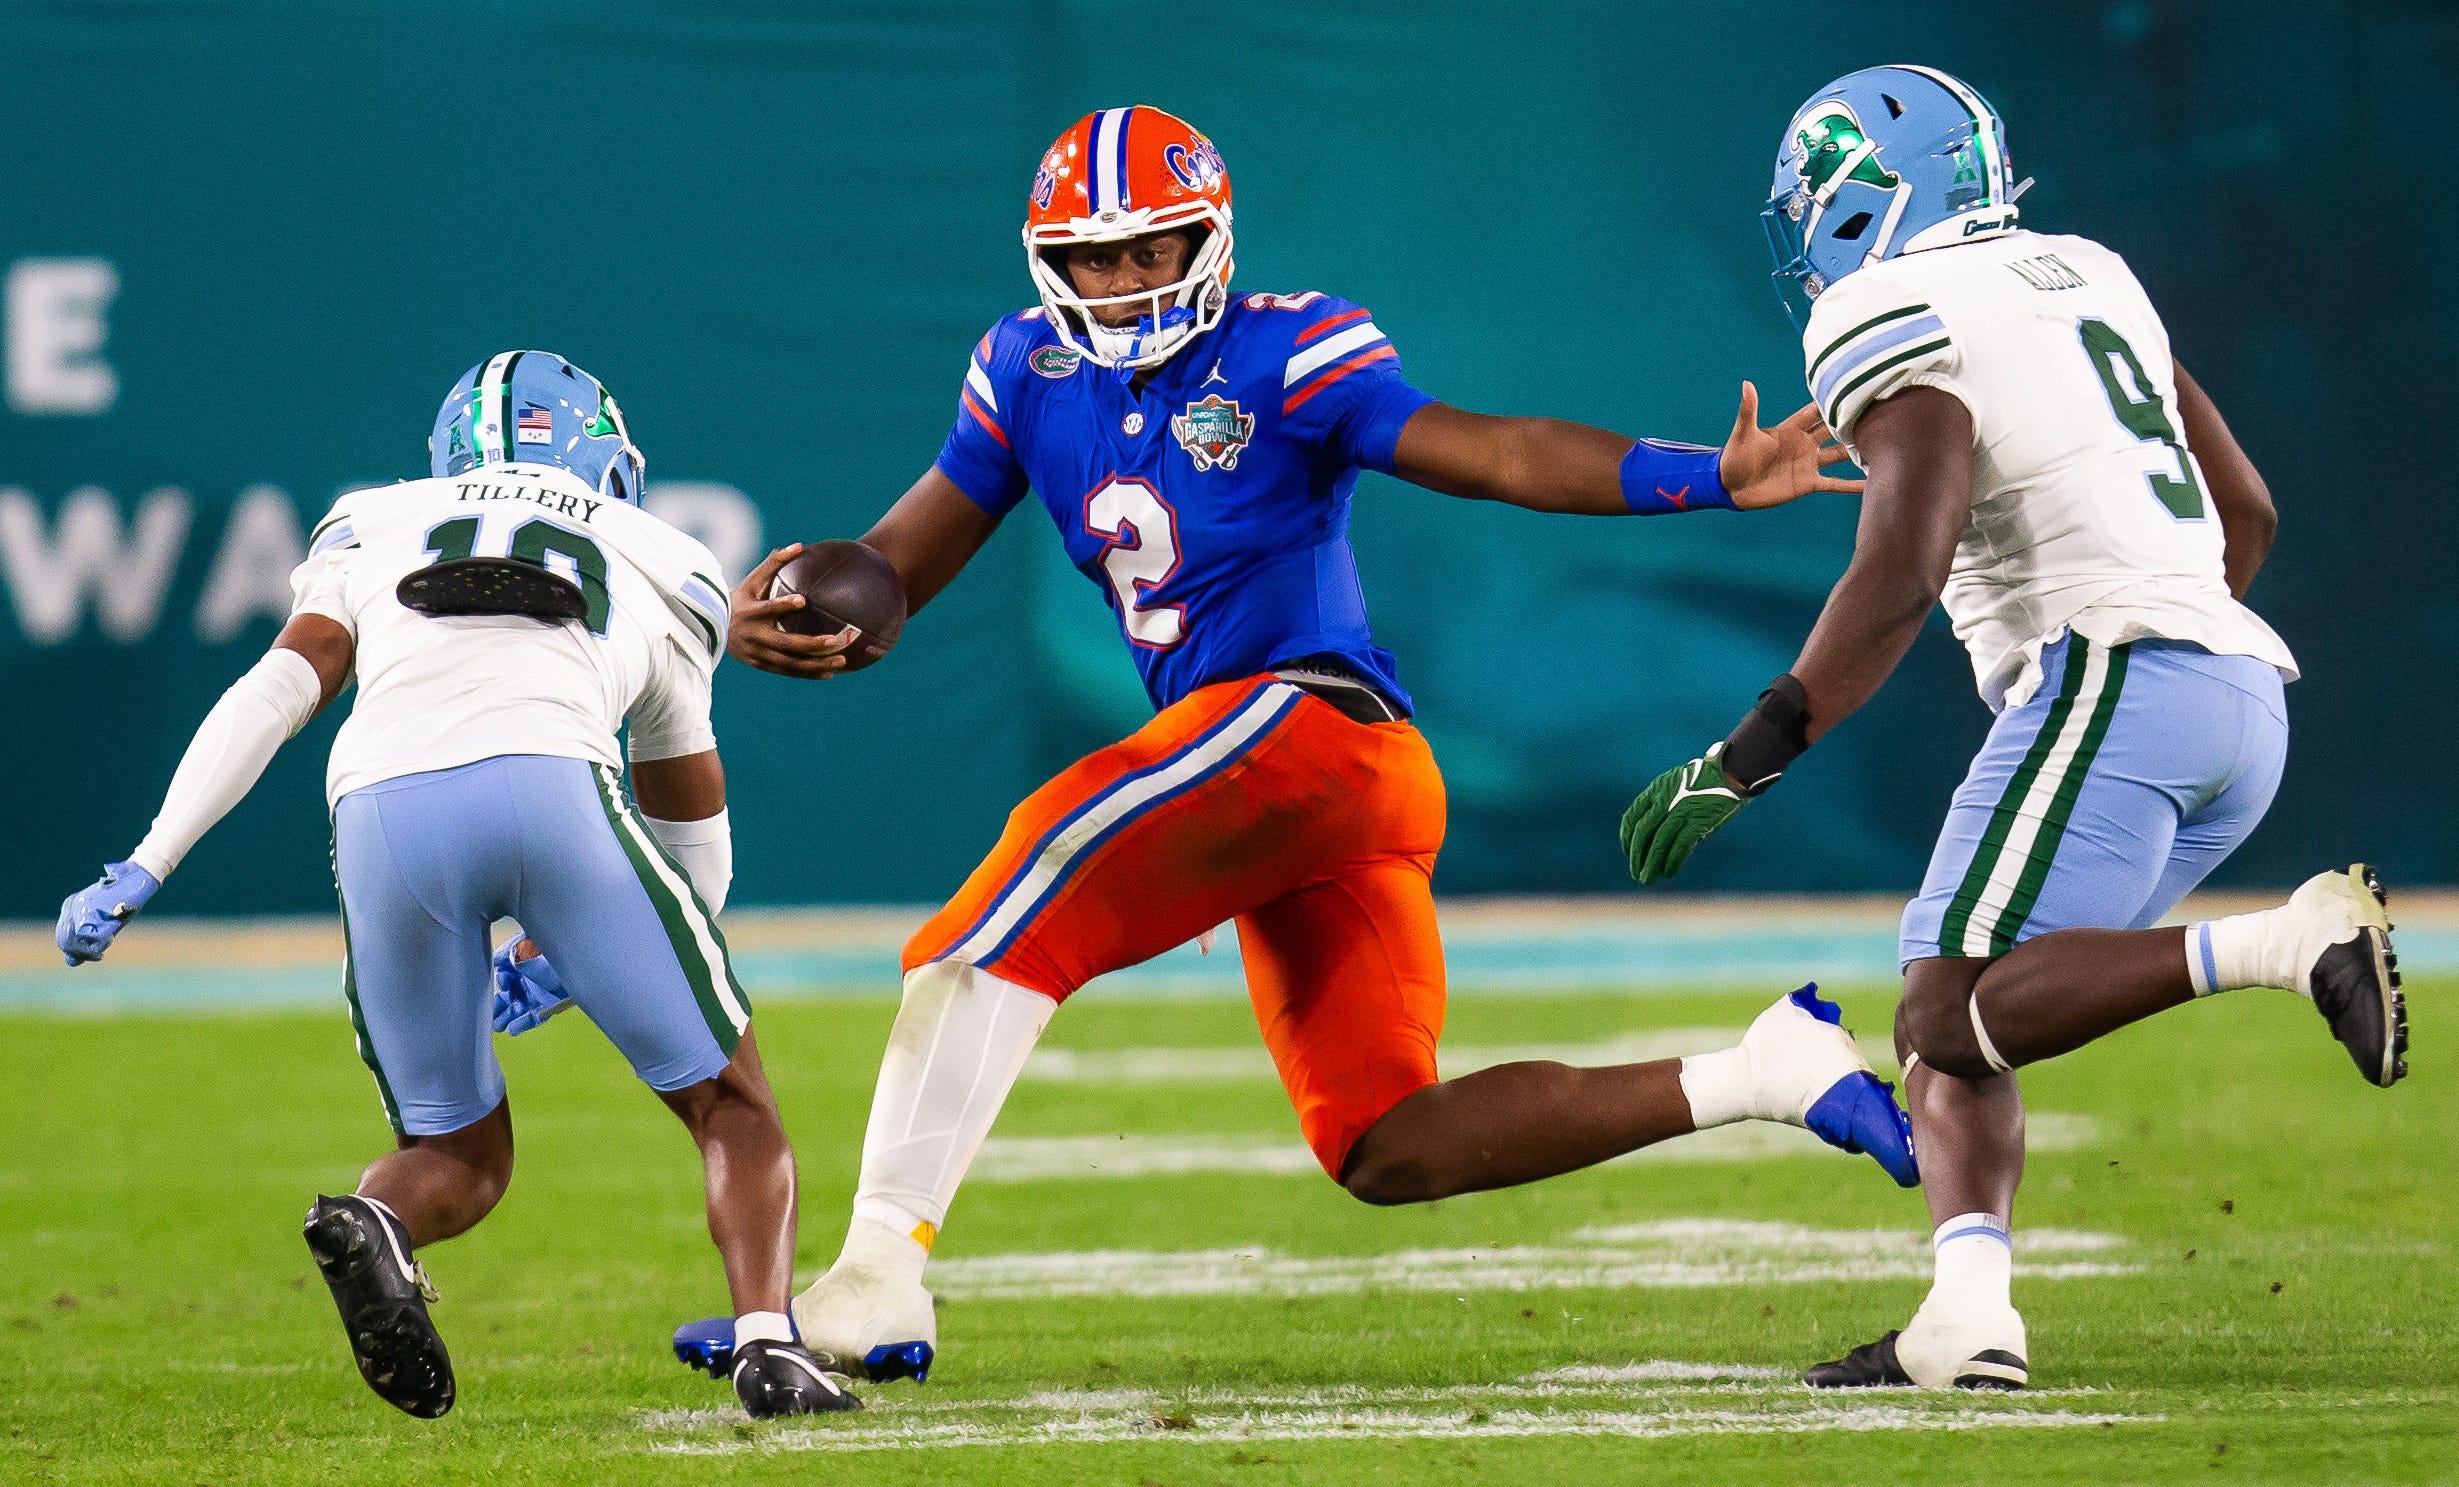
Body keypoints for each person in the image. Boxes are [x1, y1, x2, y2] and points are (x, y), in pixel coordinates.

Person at [646, 104, 1903, 1386]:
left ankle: (871, 1278)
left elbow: (1494, 452)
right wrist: (806, 613)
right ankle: (1764, 1070)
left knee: (995, 917)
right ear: (1048, 261)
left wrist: (1707, 474)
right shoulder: (1022, 369)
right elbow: (900, 563)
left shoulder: (1287, 345)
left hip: (1302, 721)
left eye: (1151, 249)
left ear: (1210, 239)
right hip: (1290, 784)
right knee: (1388, 1142)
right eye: (1094, 256)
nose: (1122, 280)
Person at [1618, 65, 2405, 1391]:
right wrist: (2171, 640)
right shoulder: (2084, 269)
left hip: (2120, 675)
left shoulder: (1888, 305)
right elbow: (2247, 512)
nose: (1806, 230)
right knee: (1961, 1009)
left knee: (1945, 998)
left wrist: (1749, 750)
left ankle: (2285, 936)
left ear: (1873, 198)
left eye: (1816, 200)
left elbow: (1900, 566)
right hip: (2229, 700)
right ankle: (1965, 1318)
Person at [55, 353, 858, 1421]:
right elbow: (691, 833)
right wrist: (582, 955)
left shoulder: (374, 518)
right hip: (555, 786)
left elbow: (277, 689)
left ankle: (376, 1223)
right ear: (604, 459)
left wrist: (150, 856)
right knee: (728, 1101)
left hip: (381, 812)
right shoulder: (666, 553)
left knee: (453, 1150)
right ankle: (766, 1340)